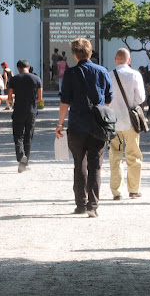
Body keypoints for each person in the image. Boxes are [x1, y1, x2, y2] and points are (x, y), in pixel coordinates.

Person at [55, 38, 113, 218]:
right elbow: (109, 98)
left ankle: (80, 203)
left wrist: (60, 124)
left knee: (79, 163)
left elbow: (65, 101)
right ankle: (93, 206)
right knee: (95, 166)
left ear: (74, 54)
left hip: (77, 124)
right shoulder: (102, 71)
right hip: (98, 126)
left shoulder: (70, 74)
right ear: (90, 52)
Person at [107, 48, 146, 200]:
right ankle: (134, 189)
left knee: (115, 156)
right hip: (131, 121)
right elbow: (140, 98)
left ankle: (116, 191)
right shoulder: (135, 75)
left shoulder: (109, 75)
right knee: (134, 155)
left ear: (115, 60)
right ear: (129, 60)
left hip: (113, 122)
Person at [7, 59, 43, 173]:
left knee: (18, 135)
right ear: (28, 67)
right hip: (31, 111)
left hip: (18, 110)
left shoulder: (14, 79)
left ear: (18, 68)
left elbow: (9, 97)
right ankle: (25, 162)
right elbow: (40, 98)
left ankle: (20, 155)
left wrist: (13, 102)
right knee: (28, 136)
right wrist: (33, 101)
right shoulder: (37, 79)